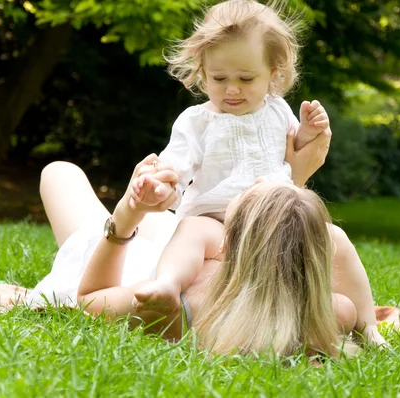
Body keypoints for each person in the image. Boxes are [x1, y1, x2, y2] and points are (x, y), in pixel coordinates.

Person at [127, 1, 382, 345]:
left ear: (274, 72)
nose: (232, 89)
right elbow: (177, 163)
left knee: (333, 237)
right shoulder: (197, 121)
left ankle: (369, 329)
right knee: (189, 229)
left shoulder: (277, 112)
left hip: (272, 223)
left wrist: (308, 130)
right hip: (216, 225)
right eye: (219, 78)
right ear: (201, 71)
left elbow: (295, 145)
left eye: (246, 79)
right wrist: (162, 181)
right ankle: (167, 286)